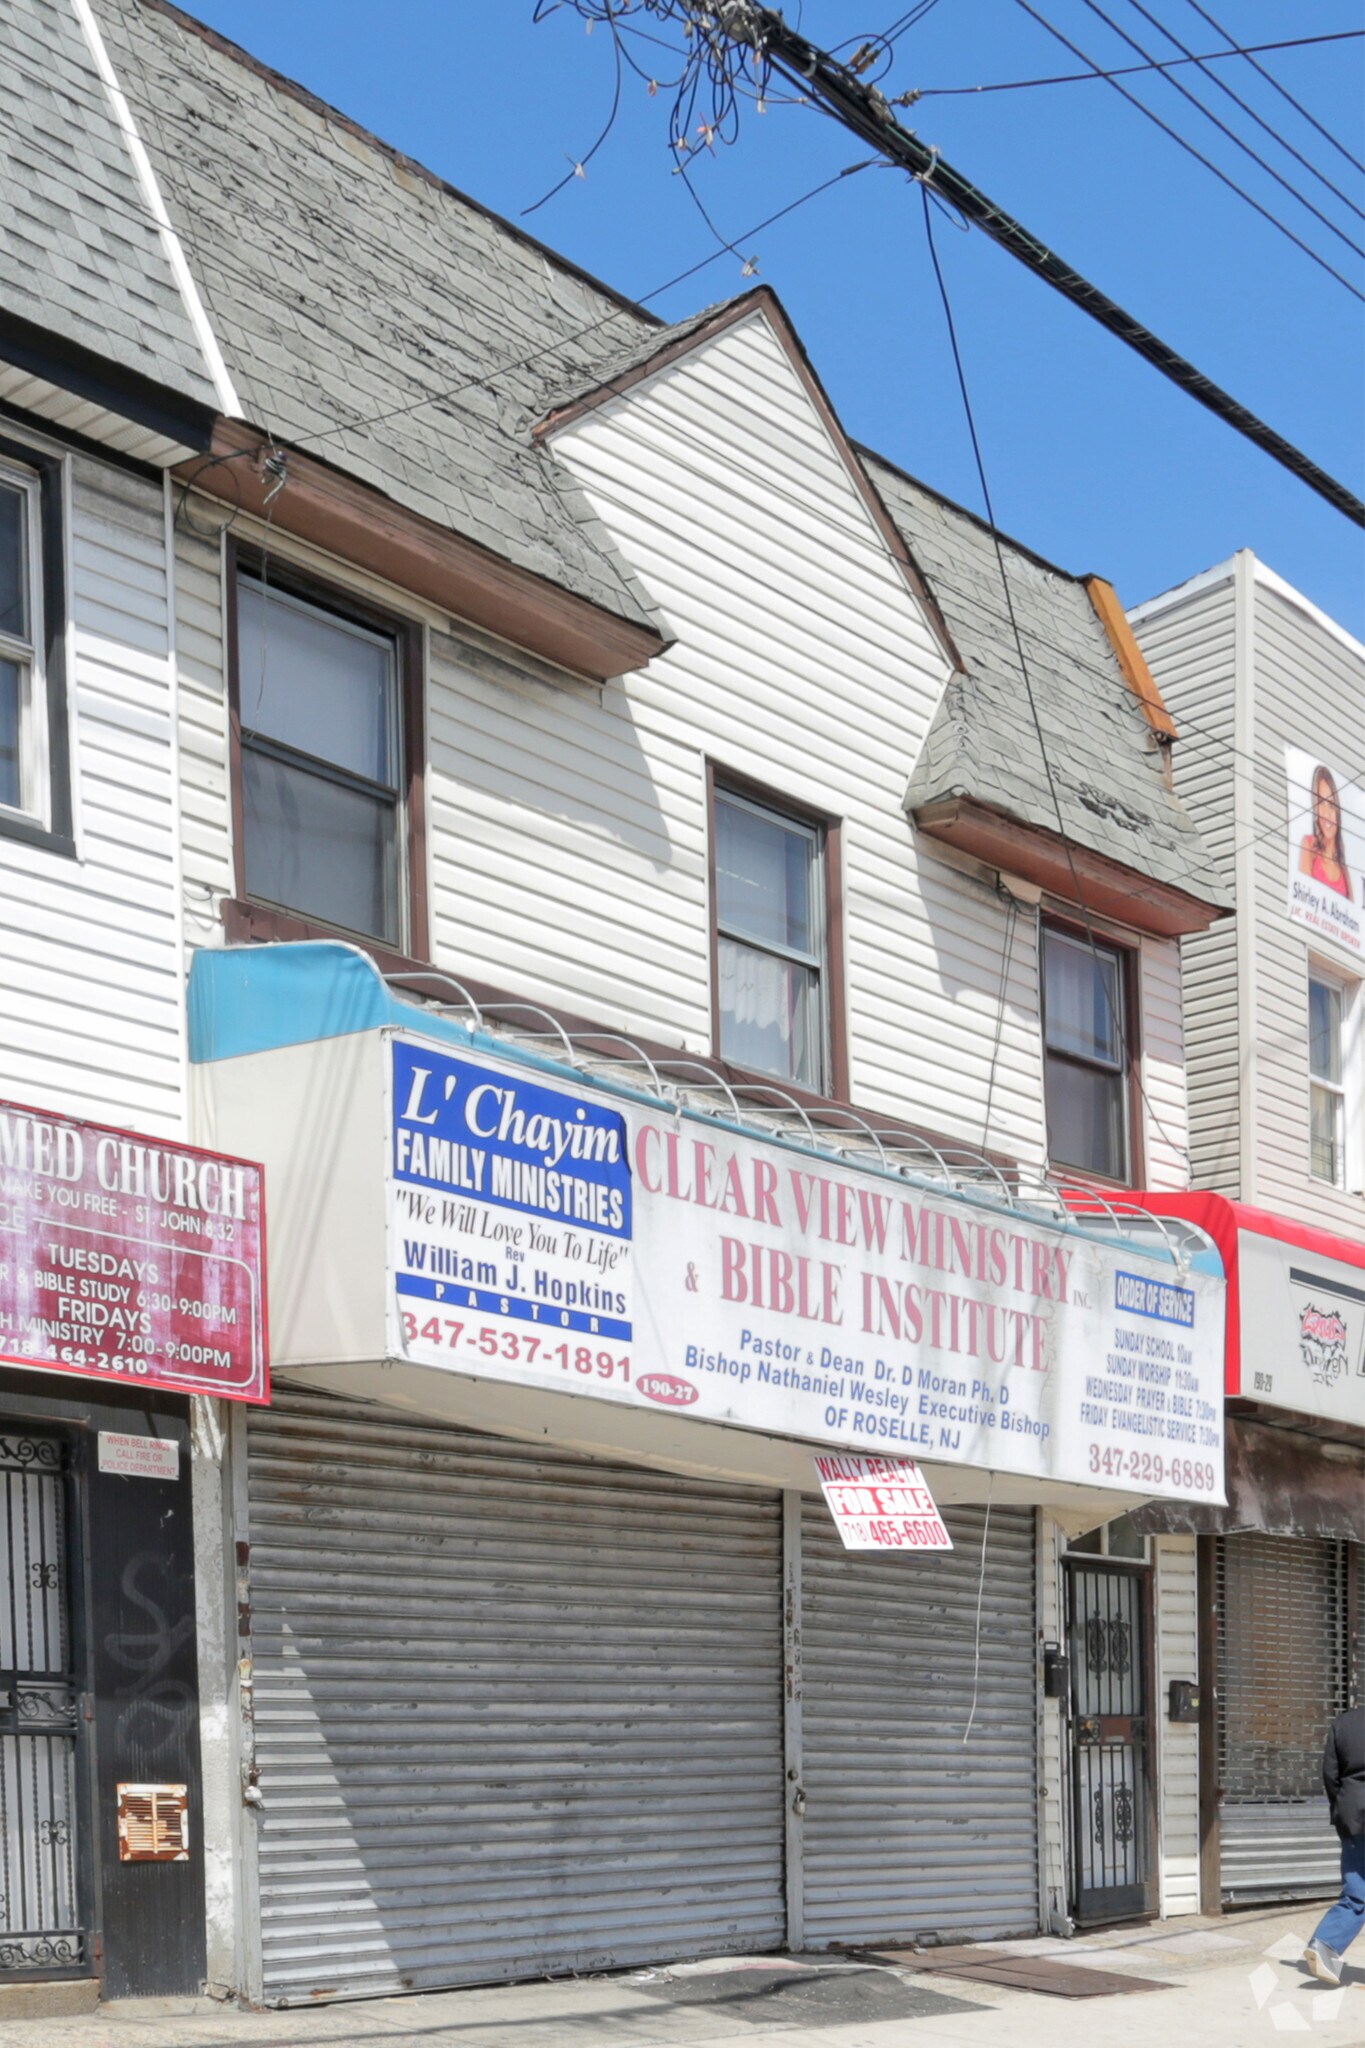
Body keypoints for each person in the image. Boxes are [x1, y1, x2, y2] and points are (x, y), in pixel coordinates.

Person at [1304, 1702, 1365, 1986]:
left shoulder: (1345, 1723)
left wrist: (1341, 1810)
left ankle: (1325, 1944)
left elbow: (1330, 1773)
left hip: (1352, 1814)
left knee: (1357, 1892)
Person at [1299, 764, 1354, 900]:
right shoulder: (1309, 846)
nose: (1326, 814)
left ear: (1338, 812)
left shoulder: (1344, 871)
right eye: (1321, 803)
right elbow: (1302, 900)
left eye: (1331, 805)